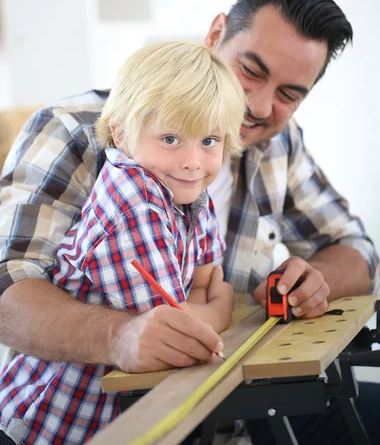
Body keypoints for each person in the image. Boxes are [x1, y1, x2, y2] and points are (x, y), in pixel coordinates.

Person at [0, 0, 380, 444]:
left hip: (236, 405)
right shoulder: (72, 129)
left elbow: (357, 250)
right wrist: (117, 337)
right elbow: (8, 290)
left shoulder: (278, 145)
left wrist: (315, 279)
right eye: (252, 70)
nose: (260, 105)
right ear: (214, 35)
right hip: (99, 420)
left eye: (290, 95)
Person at [0, 41, 246, 444]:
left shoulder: (190, 191)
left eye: (209, 141)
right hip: (51, 426)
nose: (192, 161)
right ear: (120, 131)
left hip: (121, 418)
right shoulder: (132, 198)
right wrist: (219, 308)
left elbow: (204, 281)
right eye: (170, 139)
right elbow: (177, 330)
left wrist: (206, 307)